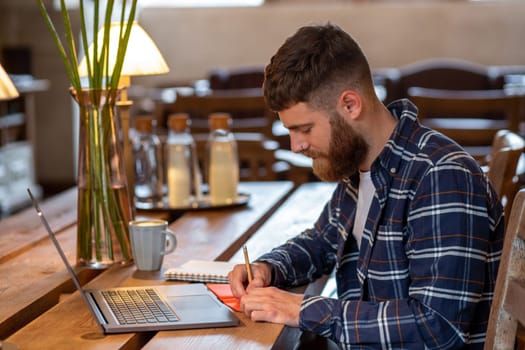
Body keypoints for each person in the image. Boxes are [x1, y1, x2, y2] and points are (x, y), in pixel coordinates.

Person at [228, 23, 504, 349]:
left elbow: (436, 328)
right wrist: (269, 268)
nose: (296, 146)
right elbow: (323, 242)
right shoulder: (361, 165)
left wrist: (304, 308)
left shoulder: (441, 175)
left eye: (304, 128)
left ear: (350, 105)